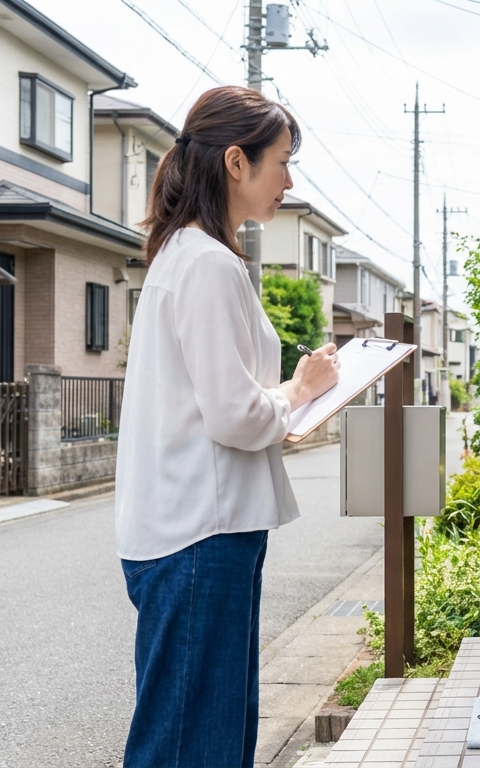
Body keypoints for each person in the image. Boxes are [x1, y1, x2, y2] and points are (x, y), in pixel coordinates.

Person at [113, 86, 340, 768]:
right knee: (194, 745)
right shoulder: (207, 263)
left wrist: (288, 402)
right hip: (200, 536)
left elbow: (221, 403)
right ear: (236, 162)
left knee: (201, 734)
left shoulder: (189, 254)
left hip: (193, 529)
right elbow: (235, 413)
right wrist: (301, 389)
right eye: (282, 162)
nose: (288, 181)